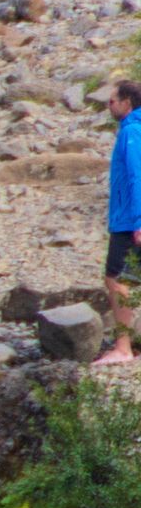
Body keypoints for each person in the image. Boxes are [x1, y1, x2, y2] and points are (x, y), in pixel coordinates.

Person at [107, 78, 141, 367]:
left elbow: (136, 176)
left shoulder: (131, 130)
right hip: (129, 218)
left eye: (112, 101)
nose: (109, 105)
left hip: (129, 221)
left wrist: (139, 221)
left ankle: (123, 347)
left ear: (127, 102)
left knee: (116, 280)